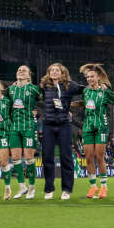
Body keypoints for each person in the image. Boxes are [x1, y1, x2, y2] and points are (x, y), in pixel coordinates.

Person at [41, 62, 83, 200]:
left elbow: (85, 90)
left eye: (56, 70)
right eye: (51, 70)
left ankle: (66, 189)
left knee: (66, 157)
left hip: (64, 125)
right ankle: (49, 189)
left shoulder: (69, 85)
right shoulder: (44, 86)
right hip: (48, 125)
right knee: (47, 158)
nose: (53, 72)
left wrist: (97, 86)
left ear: (62, 72)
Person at [79, 64, 114, 200]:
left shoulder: (105, 91)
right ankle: (93, 186)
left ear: (98, 77)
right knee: (88, 157)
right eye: (88, 77)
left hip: (101, 127)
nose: (89, 79)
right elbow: (84, 104)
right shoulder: (85, 91)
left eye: (92, 76)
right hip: (88, 127)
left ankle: (103, 186)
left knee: (99, 156)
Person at [6, 65, 42, 199]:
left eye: (24, 70)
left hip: (29, 127)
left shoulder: (34, 89)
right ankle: (22, 187)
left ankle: (32, 187)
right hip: (14, 127)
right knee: (15, 158)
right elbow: (1, 99)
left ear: (29, 75)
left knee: (28, 157)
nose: (20, 71)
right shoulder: (10, 89)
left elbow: (48, 99)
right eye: (18, 70)